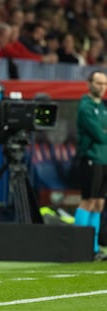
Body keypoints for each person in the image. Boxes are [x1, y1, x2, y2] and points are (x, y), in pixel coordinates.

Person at [74, 70, 107, 261]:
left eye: (104, 84)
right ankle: (79, 245)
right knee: (88, 200)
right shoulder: (85, 106)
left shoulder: (103, 107)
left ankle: (93, 247)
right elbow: (99, 134)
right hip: (91, 157)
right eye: (99, 83)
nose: (102, 88)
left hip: (104, 159)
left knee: (99, 203)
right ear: (89, 84)